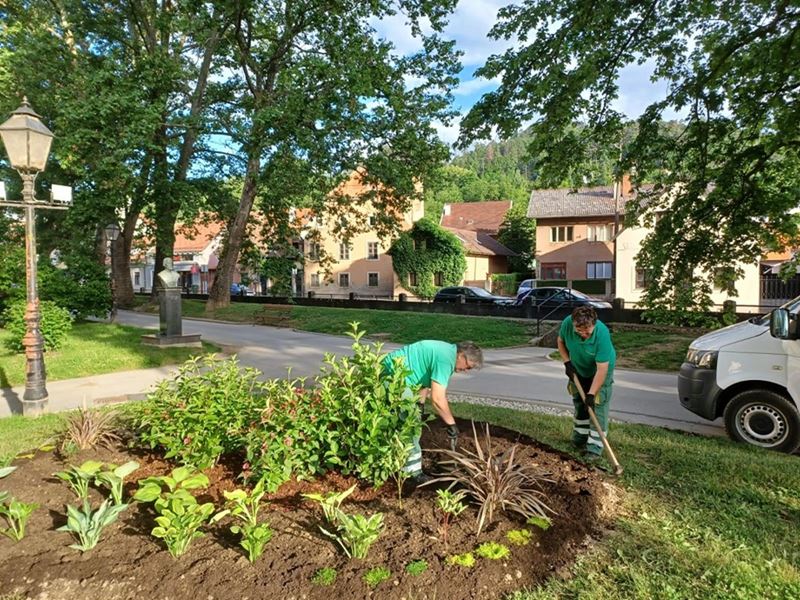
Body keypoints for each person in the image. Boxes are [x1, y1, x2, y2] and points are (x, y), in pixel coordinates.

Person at [382, 340, 484, 482]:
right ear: (461, 355)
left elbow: (423, 380)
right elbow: (437, 399)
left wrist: (420, 404)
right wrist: (451, 424)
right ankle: (412, 473)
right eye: (468, 366)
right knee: (412, 429)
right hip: (393, 376)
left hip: (398, 375)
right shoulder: (446, 360)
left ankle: (394, 462)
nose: (465, 370)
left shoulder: (446, 352)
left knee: (407, 422)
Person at [557, 305, 616, 460]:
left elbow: (602, 369)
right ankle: (580, 438)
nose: (583, 334)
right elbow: (560, 341)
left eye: (587, 331)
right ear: (574, 324)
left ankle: (595, 447)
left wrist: (591, 394)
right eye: (579, 330)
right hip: (578, 367)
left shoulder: (602, 334)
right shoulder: (567, 324)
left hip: (600, 370)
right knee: (579, 402)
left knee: (597, 405)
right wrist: (567, 362)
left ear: (594, 325)